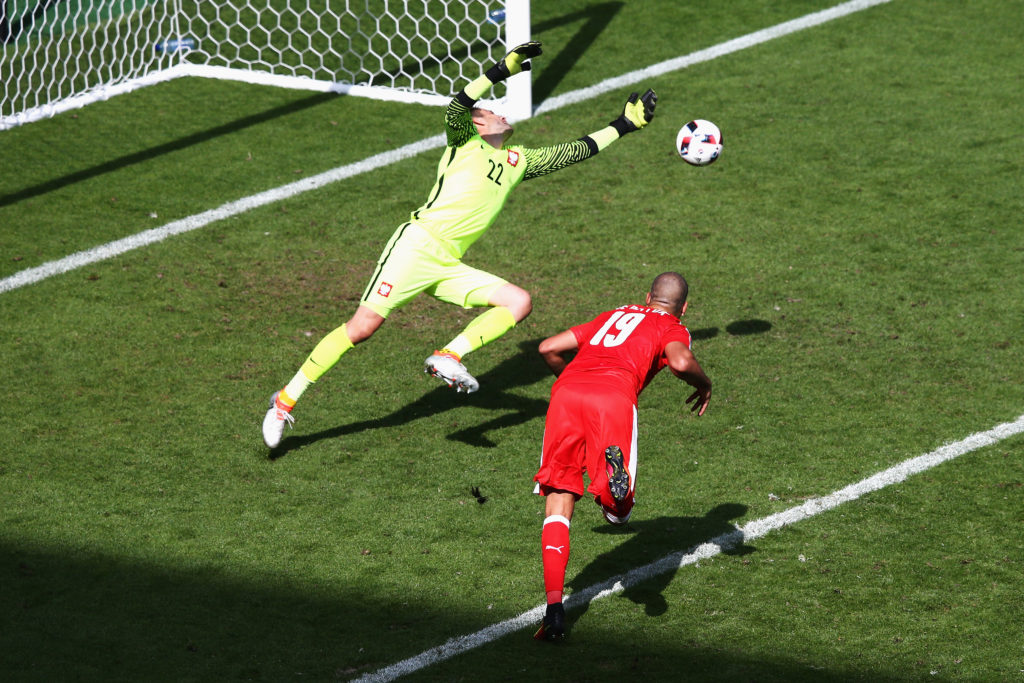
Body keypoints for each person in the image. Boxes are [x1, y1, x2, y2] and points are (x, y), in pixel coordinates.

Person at [261, 41, 659, 449]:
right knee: (362, 328)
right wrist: (500, 71)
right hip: (415, 247)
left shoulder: (519, 162)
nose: (501, 111)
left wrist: (622, 125)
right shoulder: (463, 142)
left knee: (518, 301)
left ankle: (450, 354)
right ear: (479, 125)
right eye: (491, 111)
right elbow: (457, 105)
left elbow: (573, 152)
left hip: (449, 261)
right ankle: (283, 402)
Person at [531, 271, 712, 641]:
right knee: (618, 516)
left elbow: (548, 347)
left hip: (566, 395)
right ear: (685, 307)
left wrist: (571, 384)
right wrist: (704, 383)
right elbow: (680, 363)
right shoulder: (672, 327)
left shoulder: (612, 314)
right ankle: (616, 489)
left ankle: (554, 612)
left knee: (558, 501)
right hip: (612, 397)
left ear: (647, 295)